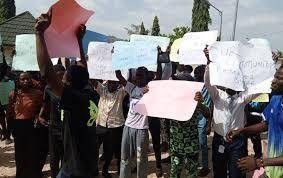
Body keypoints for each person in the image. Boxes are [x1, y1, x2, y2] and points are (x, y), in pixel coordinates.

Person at [35, 12, 97, 178]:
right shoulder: (90, 93)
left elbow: (47, 73)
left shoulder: (75, 100)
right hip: (87, 164)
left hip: (75, 170)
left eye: (63, 79)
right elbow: (83, 68)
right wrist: (79, 41)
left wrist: (39, 33)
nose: (61, 81)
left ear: (69, 84)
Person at [203, 47, 260, 178]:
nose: (230, 83)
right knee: (219, 172)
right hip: (219, 140)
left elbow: (259, 88)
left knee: (237, 173)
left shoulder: (242, 98)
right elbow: (207, 82)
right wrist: (209, 62)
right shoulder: (218, 95)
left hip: (237, 141)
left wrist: (268, 67)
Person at [226, 64, 283, 178]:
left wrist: (258, 162)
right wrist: (242, 130)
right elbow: (267, 124)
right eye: (274, 76)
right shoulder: (276, 99)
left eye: (279, 78)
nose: (273, 81)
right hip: (272, 171)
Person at [116, 60, 162, 177]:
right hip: (128, 127)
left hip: (141, 129)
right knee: (125, 157)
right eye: (137, 74)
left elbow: (159, 76)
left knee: (141, 159)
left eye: (141, 75)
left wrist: (158, 59)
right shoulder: (131, 88)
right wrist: (116, 57)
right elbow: (118, 75)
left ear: (147, 77)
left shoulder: (150, 89)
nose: (138, 77)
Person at [6, 72, 43, 178]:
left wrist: (38, 116)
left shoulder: (37, 93)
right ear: (18, 81)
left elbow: (43, 107)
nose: (25, 81)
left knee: (33, 152)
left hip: (31, 125)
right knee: (20, 153)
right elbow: (9, 112)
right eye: (23, 79)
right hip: (18, 126)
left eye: (27, 79)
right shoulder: (13, 94)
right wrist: (8, 129)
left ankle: (35, 174)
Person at [93, 80, 127, 177]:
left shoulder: (121, 92)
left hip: (114, 126)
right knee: (95, 148)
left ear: (118, 84)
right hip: (101, 125)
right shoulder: (102, 90)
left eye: (115, 83)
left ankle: (105, 170)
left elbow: (127, 84)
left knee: (109, 151)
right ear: (107, 83)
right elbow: (93, 80)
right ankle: (94, 169)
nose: (113, 85)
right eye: (111, 83)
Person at [37, 64, 66, 178]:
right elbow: (45, 105)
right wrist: (40, 116)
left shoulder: (69, 88)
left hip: (67, 128)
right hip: (53, 127)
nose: (60, 78)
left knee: (66, 157)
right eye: (58, 76)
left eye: (63, 75)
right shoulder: (48, 88)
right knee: (54, 158)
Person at [194, 65, 213, 177]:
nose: (196, 76)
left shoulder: (208, 87)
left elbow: (211, 107)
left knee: (203, 145)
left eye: (198, 74)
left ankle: (205, 167)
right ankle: (195, 163)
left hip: (203, 120)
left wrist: (209, 124)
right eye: (195, 74)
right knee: (195, 144)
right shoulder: (195, 86)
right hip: (194, 120)